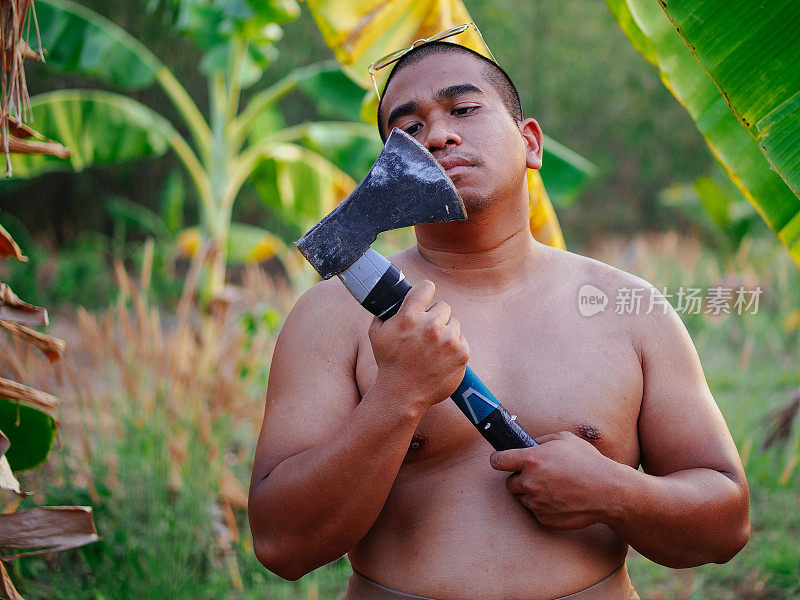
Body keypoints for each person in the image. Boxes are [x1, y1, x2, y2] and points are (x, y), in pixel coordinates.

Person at [248, 40, 750, 600]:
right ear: (389, 167)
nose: (437, 136)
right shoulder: (331, 316)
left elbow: (727, 524)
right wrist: (397, 397)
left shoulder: (630, 307)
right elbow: (280, 546)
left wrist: (613, 490)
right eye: (407, 129)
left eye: (463, 109)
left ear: (531, 143)